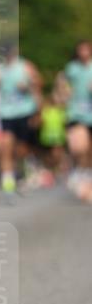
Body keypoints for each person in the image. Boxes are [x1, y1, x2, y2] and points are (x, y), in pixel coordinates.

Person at [0, 47, 42, 199]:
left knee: (21, 148)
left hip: (24, 111)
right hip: (6, 113)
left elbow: (38, 84)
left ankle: (21, 171)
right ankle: (7, 182)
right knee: (6, 145)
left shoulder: (25, 66)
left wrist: (37, 110)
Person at [61, 40, 92, 197]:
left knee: (88, 149)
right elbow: (62, 83)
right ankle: (79, 170)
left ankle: (86, 171)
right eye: (81, 50)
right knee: (80, 146)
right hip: (76, 112)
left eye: (86, 50)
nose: (84, 53)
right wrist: (65, 92)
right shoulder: (72, 68)